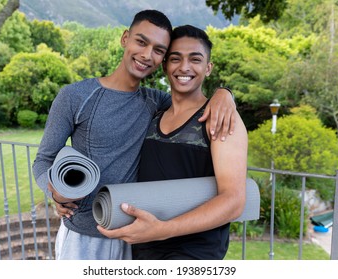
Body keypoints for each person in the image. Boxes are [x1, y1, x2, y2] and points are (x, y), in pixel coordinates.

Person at [32, 10, 236, 260]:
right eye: (141, 42)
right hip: (85, 235)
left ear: (162, 59)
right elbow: (43, 161)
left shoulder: (156, 102)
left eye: (158, 49)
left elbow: (193, 99)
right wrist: (54, 191)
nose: (147, 55)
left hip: (137, 236)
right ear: (125, 38)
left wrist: (224, 94)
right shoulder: (75, 96)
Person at [97, 25, 248, 260]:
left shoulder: (220, 118)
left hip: (193, 254)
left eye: (195, 59)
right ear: (166, 65)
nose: (184, 67)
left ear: (208, 68)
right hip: (141, 249)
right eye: (175, 59)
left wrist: (162, 231)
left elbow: (233, 201)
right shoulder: (155, 111)